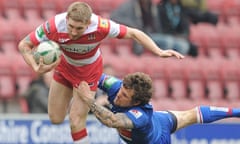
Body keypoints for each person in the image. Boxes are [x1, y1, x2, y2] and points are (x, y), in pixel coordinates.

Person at [18, 1, 184, 143]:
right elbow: (24, 45)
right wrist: (34, 66)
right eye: (71, 27)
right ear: (66, 18)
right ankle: (73, 99)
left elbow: (133, 33)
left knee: (76, 121)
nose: (74, 32)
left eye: (79, 28)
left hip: (88, 73)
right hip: (64, 68)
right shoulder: (54, 25)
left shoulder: (101, 26)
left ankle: (79, 113)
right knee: (55, 118)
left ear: (88, 23)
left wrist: (158, 51)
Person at [76, 72, 240, 144]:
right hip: (160, 119)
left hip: (156, 139)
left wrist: (88, 99)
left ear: (136, 103)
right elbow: (94, 75)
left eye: (125, 96)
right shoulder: (118, 87)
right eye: (122, 90)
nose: (119, 95)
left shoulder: (140, 115)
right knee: (191, 115)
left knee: (191, 116)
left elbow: (111, 120)